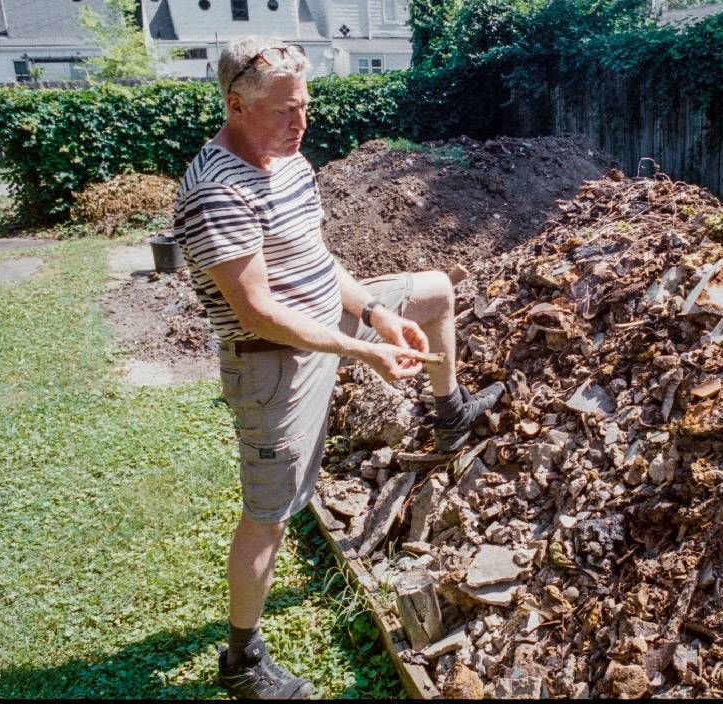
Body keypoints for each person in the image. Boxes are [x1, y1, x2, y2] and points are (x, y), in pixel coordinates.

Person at [173, 35, 504, 699]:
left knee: (434, 289)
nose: (300, 123)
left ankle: (447, 414)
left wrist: (377, 316)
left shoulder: (291, 164)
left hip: (331, 319)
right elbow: (260, 313)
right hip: (274, 366)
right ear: (237, 105)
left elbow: (319, 262)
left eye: (306, 108)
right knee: (269, 516)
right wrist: (366, 351)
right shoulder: (214, 193)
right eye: (283, 111)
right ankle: (241, 661)